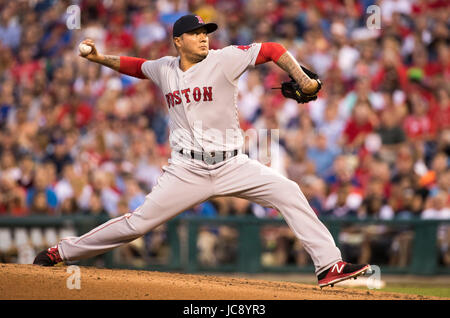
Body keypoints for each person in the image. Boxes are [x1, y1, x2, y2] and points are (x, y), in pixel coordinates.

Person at [33, 14, 370, 288]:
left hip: (233, 164)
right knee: (137, 224)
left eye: (205, 32)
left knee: (288, 191)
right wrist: (97, 58)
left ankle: (329, 265)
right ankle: (60, 252)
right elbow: (135, 66)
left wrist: (304, 79)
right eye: (195, 34)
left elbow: (271, 48)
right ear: (178, 41)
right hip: (186, 170)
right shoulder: (164, 68)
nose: (203, 37)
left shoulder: (224, 59)